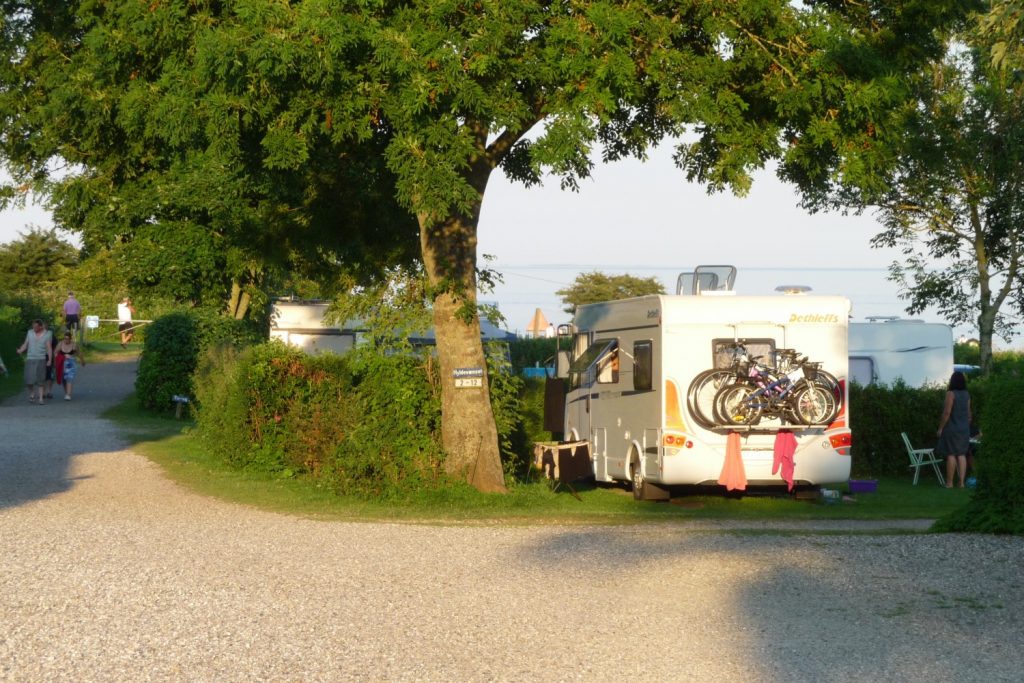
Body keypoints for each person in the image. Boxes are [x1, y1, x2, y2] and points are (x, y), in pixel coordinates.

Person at [936, 370, 971, 488]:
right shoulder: (967, 394)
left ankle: (950, 483)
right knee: (961, 455)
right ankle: (961, 483)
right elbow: (969, 414)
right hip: (964, 429)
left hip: (952, 428)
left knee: (951, 454)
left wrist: (940, 428)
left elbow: (947, 413)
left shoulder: (951, 394)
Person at [16, 319, 53, 404]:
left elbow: (49, 348)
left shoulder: (47, 334)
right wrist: (21, 350)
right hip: (30, 358)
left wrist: (50, 360)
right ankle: (32, 393)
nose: (34, 328)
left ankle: (40, 399)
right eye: (33, 326)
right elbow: (26, 343)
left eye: (36, 327)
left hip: (41, 358)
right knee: (28, 379)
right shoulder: (30, 332)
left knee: (41, 379)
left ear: (40, 326)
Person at [55, 330, 84, 401]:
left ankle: (68, 394)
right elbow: (55, 352)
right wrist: (59, 357)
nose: (66, 340)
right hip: (62, 364)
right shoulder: (60, 344)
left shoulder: (74, 345)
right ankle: (66, 393)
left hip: (71, 364)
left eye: (67, 339)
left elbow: (79, 353)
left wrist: (82, 361)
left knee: (69, 378)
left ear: (70, 339)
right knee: (63, 379)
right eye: (64, 338)